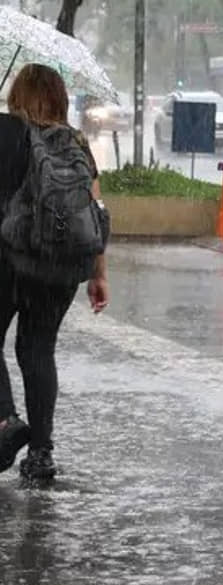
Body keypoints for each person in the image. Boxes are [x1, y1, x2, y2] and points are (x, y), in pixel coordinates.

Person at [0, 64, 111, 480]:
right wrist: (100, 274)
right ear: (61, 99)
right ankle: (42, 453)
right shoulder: (76, 143)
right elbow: (96, 213)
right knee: (37, 350)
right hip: (61, 266)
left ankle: (6, 421)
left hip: (11, 259)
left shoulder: (8, 133)